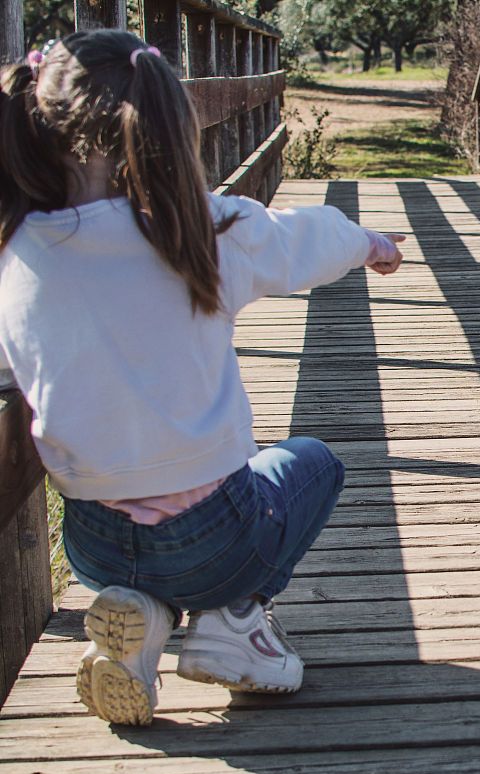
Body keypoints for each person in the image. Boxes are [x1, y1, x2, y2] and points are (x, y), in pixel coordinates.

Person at [0, 30, 406, 726]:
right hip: (214, 540)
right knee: (314, 463)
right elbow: (305, 240)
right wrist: (369, 242)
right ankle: (233, 623)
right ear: (166, 124)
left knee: (147, 548)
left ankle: (144, 620)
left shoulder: (20, 250)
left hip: (92, 541)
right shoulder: (204, 231)